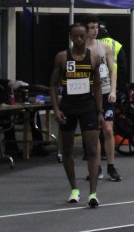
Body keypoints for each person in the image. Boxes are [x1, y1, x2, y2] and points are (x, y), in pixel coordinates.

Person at [49, 23, 104, 208]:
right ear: (71, 37)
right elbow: (53, 85)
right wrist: (56, 109)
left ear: (86, 36)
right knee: (67, 150)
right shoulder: (62, 57)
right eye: (75, 36)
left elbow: (97, 86)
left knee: (93, 150)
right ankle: (74, 189)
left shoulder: (94, 57)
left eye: (82, 36)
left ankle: (93, 194)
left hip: (87, 106)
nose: (79, 39)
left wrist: (100, 111)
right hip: (68, 107)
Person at [84, 16, 121, 182]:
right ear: (85, 29)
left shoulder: (105, 46)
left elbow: (112, 70)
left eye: (96, 27)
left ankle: (111, 167)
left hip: (106, 93)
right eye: (92, 27)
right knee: (95, 132)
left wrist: (113, 90)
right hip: (90, 95)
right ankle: (97, 167)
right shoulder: (80, 50)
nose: (95, 30)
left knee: (108, 129)